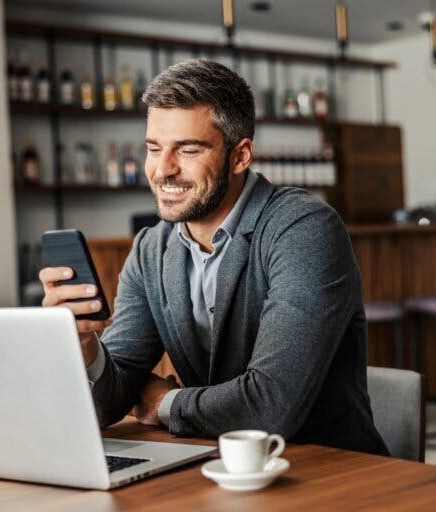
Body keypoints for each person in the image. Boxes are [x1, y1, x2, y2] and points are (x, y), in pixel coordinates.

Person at [40, 59, 388, 455]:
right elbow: (112, 395)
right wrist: (84, 343)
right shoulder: (150, 250)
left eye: (187, 149)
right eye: (154, 148)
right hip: (217, 467)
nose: (163, 170)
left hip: (332, 472)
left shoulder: (304, 228)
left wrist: (164, 403)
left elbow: (272, 405)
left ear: (240, 156)